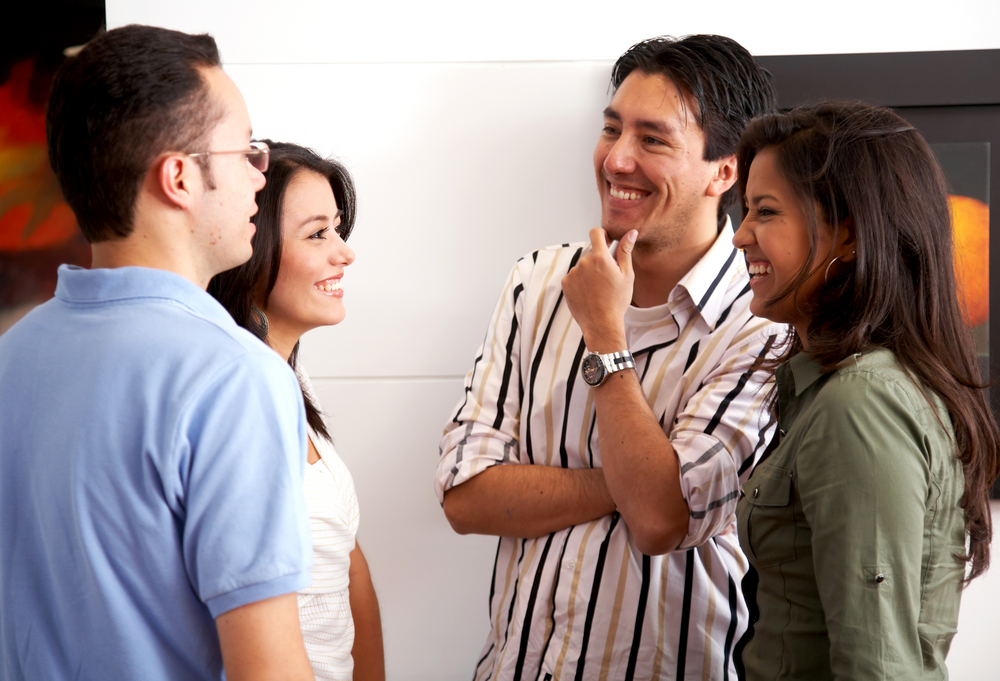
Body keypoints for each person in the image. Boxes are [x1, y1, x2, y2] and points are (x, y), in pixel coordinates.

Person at [436, 35, 782, 680]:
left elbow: (658, 520)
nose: (617, 160)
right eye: (612, 129)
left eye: (653, 139)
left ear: (723, 171)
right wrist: (629, 483)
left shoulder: (762, 325)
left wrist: (604, 337)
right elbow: (466, 496)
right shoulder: (537, 282)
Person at [0, 25, 316, 681]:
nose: (261, 175)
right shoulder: (232, 376)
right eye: (246, 153)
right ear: (178, 176)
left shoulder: (13, 358)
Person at [731, 101, 1000, 680]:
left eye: (765, 212)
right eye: (745, 211)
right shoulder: (840, 386)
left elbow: (875, 666)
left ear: (848, 233)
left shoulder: (861, 402)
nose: (741, 237)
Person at [209, 141, 385, 681]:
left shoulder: (290, 375)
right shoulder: (229, 398)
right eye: (317, 234)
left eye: (337, 228)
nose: (345, 252)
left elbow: (348, 565)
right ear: (251, 247)